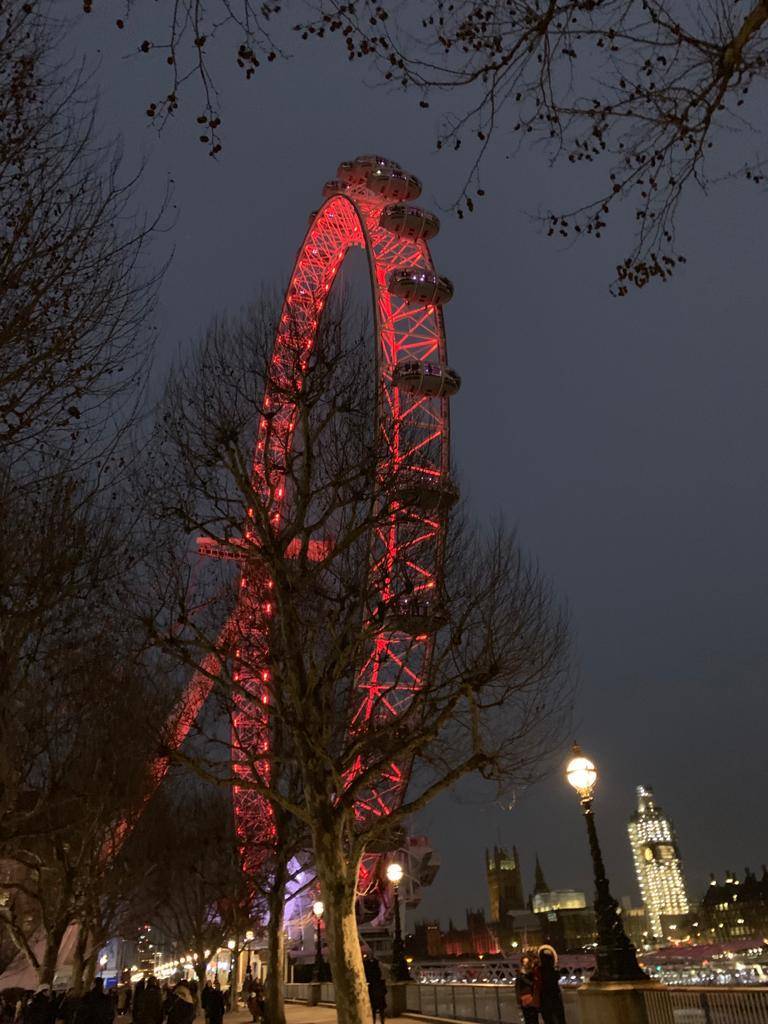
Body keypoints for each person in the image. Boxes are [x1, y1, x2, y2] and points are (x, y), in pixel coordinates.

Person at [536, 945, 565, 1024]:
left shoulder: (538, 970)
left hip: (545, 998)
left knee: (549, 1019)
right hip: (554, 997)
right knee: (558, 1018)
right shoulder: (554, 970)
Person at [514, 955, 539, 1024]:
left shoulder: (532, 973)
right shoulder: (520, 973)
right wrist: (518, 999)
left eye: (527, 962)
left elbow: (534, 984)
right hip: (524, 998)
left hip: (532, 997)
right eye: (524, 962)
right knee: (527, 1018)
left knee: (534, 1018)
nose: (525, 963)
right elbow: (517, 987)